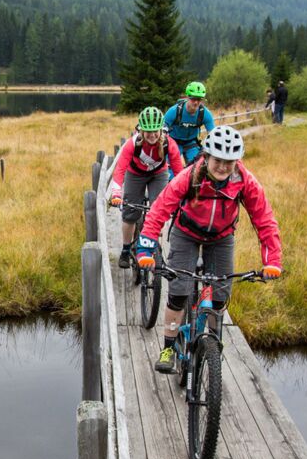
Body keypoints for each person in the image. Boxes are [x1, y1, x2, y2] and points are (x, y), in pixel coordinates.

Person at [135, 125, 282, 373]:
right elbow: (160, 209)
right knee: (179, 292)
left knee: (220, 296)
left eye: (230, 162)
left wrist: (272, 261)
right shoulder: (190, 175)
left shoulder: (245, 181)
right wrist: (145, 250)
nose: (223, 167)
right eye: (218, 160)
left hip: (221, 238)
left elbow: (264, 220)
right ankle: (168, 347)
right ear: (207, 156)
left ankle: (214, 338)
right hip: (186, 234)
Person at [108, 107, 185, 268]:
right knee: (130, 214)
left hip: (159, 174)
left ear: (160, 130)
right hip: (135, 174)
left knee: (159, 208)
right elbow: (120, 169)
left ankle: (154, 241)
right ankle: (126, 249)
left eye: (155, 131)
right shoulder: (133, 144)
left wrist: (183, 196)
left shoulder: (169, 144)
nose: (152, 135)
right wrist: (116, 192)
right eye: (148, 131)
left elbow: (179, 173)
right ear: (141, 130)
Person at [164, 82, 216, 165]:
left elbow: (213, 134)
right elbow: (162, 129)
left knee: (197, 167)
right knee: (170, 170)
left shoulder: (205, 114)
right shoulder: (174, 111)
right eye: (193, 99)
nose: (196, 102)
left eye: (199, 99)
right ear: (187, 97)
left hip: (191, 143)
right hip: (174, 142)